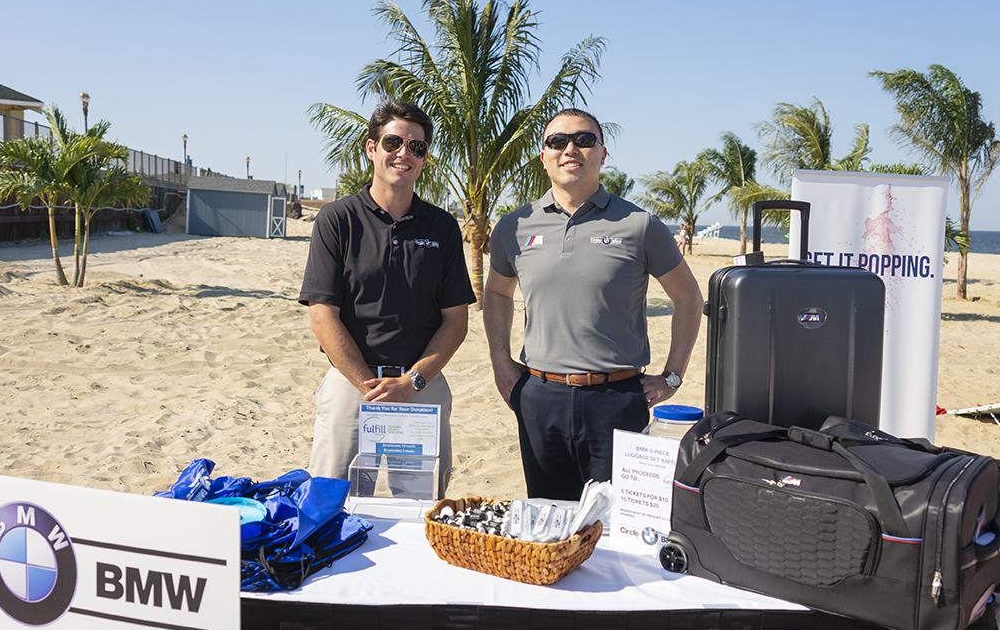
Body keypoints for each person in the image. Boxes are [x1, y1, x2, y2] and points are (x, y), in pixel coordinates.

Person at [484, 108, 704, 501]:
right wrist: (500, 359)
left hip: (617, 400)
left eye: (584, 140)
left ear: (602, 154)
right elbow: (498, 293)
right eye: (558, 141)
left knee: (614, 521)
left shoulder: (640, 225)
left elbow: (688, 297)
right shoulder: (514, 227)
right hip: (539, 398)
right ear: (544, 156)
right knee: (549, 518)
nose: (570, 149)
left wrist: (672, 376)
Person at [299, 101, 476, 498]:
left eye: (417, 147)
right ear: (371, 148)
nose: (404, 154)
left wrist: (411, 381)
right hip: (352, 385)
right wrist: (370, 386)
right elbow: (322, 316)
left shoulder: (443, 227)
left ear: (425, 158)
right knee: (332, 505)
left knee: (420, 509)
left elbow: (456, 321)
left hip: (421, 387)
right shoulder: (337, 219)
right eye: (393, 142)